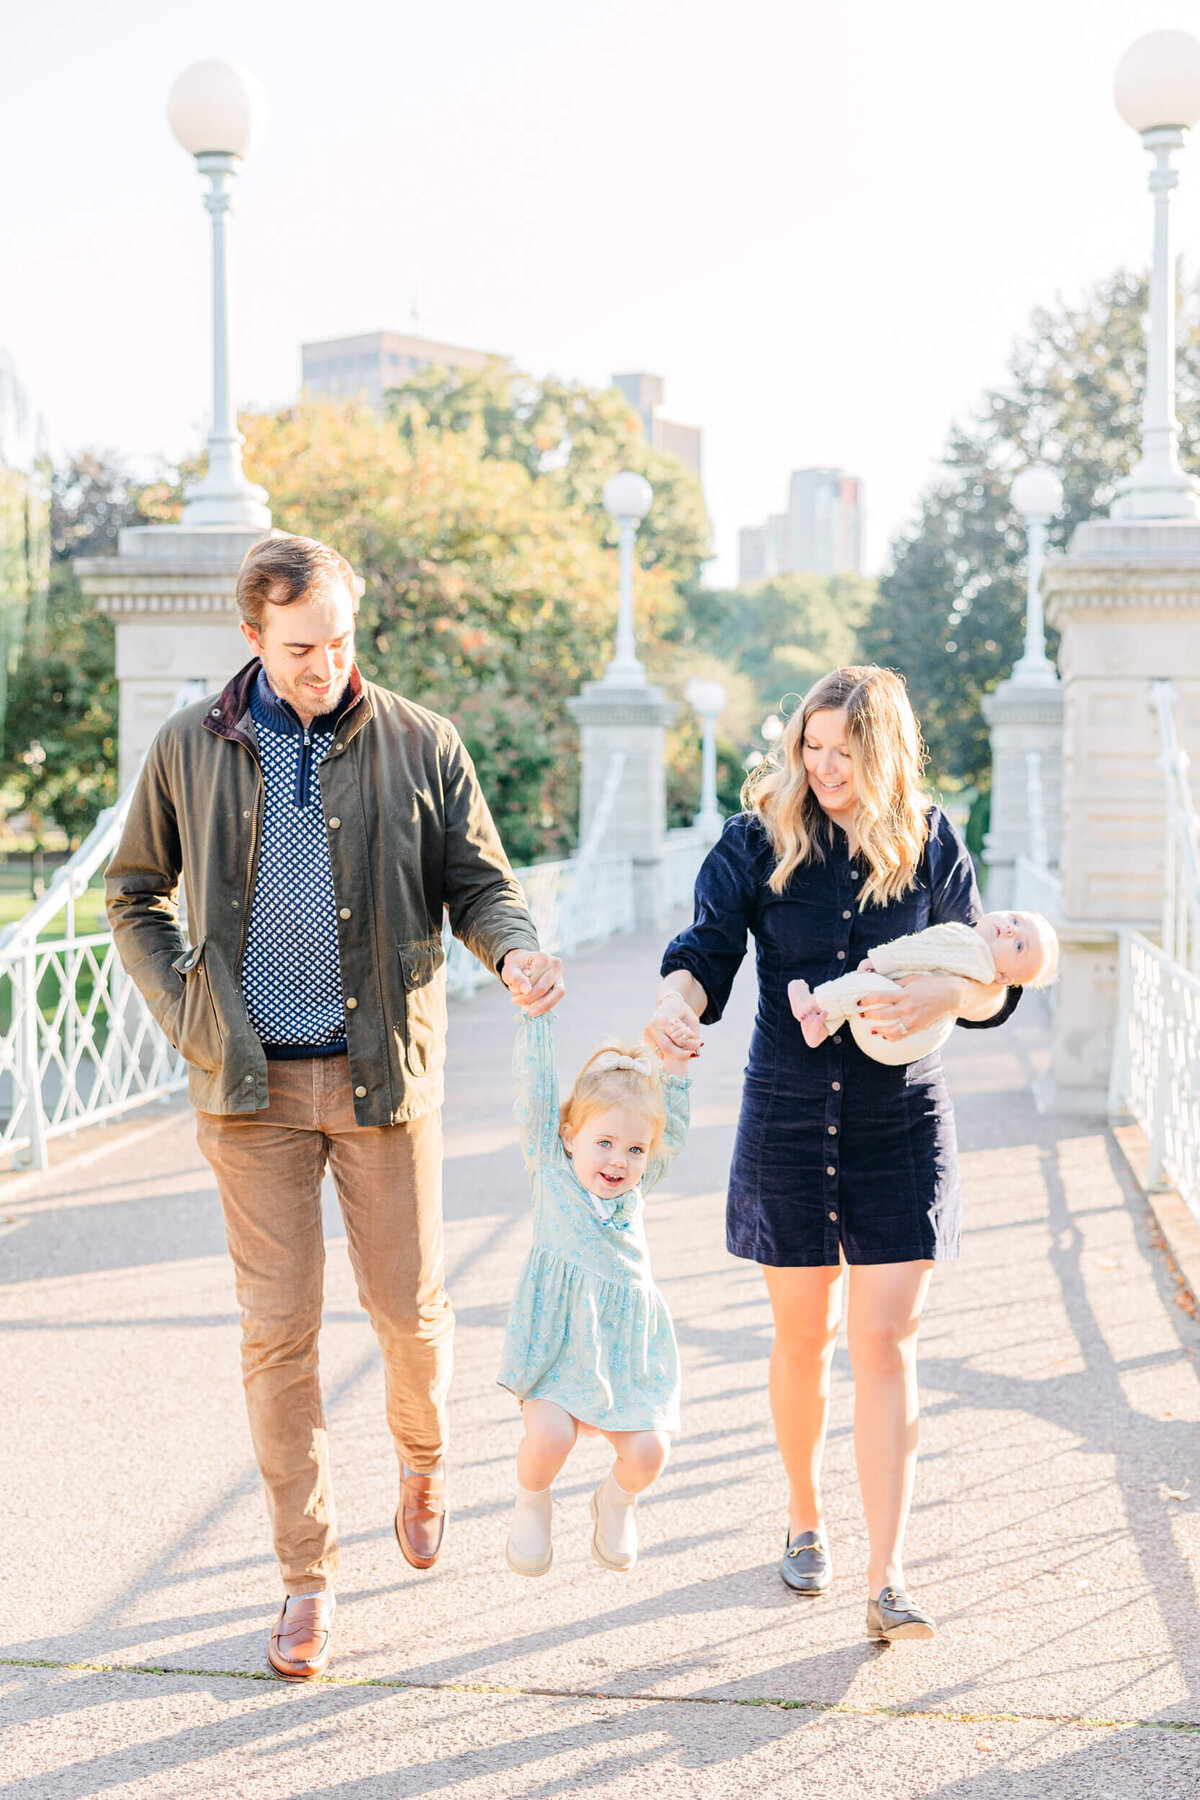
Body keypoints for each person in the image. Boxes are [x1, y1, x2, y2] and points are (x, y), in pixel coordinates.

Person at [105, 534, 563, 1681]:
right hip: (249, 1088)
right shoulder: (187, 747)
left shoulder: (420, 740)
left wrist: (512, 954)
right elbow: (132, 895)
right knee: (278, 1335)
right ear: (252, 638)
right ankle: (306, 1578)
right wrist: (194, 1017)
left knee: (408, 1312)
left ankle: (422, 1453)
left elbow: (480, 882)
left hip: (381, 1077)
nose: (327, 665)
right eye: (303, 646)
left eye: (342, 640)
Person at [643, 666, 1021, 1644]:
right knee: (804, 1338)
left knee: (886, 1342)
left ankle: (889, 1574)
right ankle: (806, 1518)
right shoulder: (758, 836)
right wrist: (674, 1012)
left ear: (884, 750)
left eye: (843, 753)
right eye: (811, 749)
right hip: (790, 1116)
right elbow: (705, 950)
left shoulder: (933, 840)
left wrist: (944, 996)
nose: (824, 768)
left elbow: (988, 972)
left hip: (901, 1122)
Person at [497, 990, 698, 1578]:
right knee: (551, 1437)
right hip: (558, 1340)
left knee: (648, 1451)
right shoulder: (550, 1169)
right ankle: (532, 1502)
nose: (618, 1160)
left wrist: (677, 1067)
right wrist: (537, 1021)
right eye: (604, 1143)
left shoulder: (637, 1186)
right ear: (569, 1136)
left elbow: (674, 1131)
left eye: (634, 1149)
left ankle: (616, 1501)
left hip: (624, 1349)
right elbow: (534, 1094)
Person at [789, 908, 1057, 1064]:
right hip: (906, 1048)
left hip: (891, 1024)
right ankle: (822, 1026)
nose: (1011, 930)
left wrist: (879, 960)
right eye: (1015, 919)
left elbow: (920, 951)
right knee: (859, 996)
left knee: (863, 986)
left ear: (1005, 978)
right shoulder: (984, 976)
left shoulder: (968, 943)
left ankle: (814, 1003)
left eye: (1019, 945)